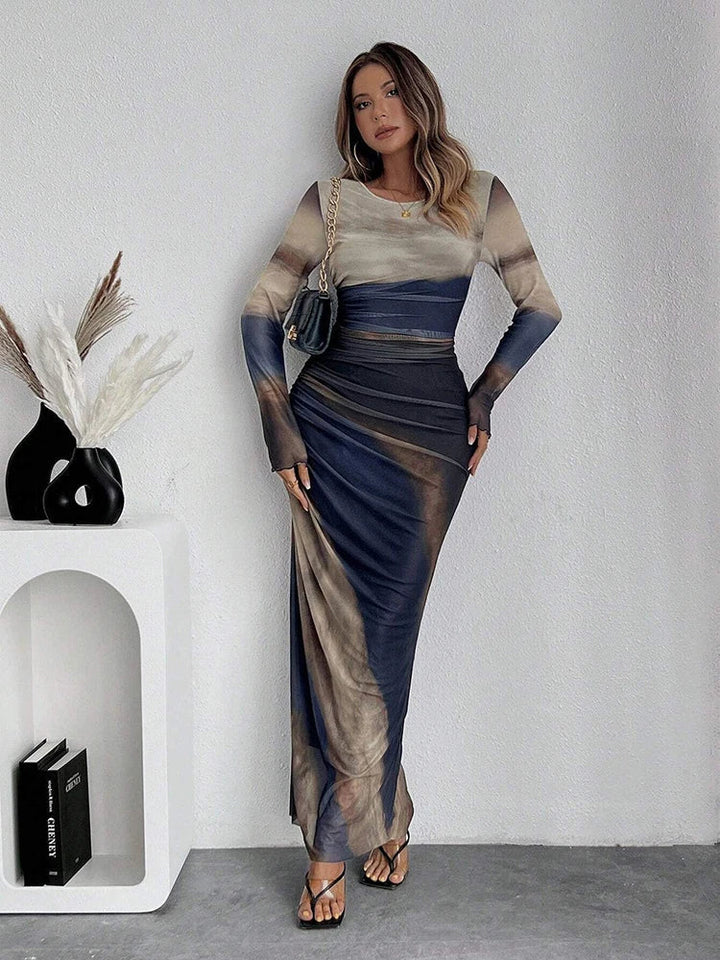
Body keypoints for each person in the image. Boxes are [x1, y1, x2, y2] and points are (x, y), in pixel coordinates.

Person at [239, 41, 562, 929]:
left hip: (426, 451)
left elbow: (541, 305)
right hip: (328, 437)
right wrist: (277, 420)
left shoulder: (481, 199)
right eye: (361, 101)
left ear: (419, 98)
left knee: (384, 644)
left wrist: (484, 395)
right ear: (350, 120)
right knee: (333, 645)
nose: (377, 111)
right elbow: (260, 309)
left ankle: (383, 813)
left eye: (390, 93)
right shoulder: (331, 203)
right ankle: (332, 848)